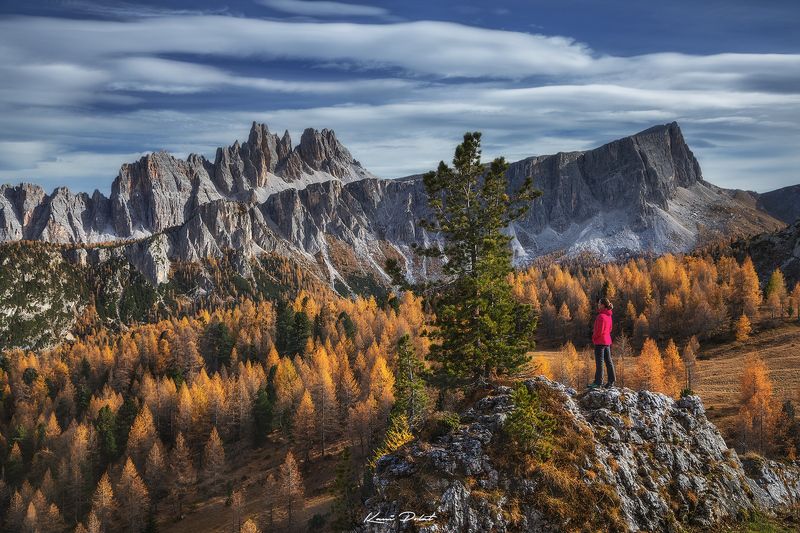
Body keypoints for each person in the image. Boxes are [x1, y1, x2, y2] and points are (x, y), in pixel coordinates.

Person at [588, 297, 615, 389]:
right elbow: (610, 329)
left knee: (599, 362)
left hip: (600, 341)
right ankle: (611, 381)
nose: (598, 305)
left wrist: (594, 338)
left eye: (599, 303)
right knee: (608, 361)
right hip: (607, 341)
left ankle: (598, 382)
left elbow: (598, 331)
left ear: (603, 305)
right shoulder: (609, 315)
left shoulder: (601, 316)